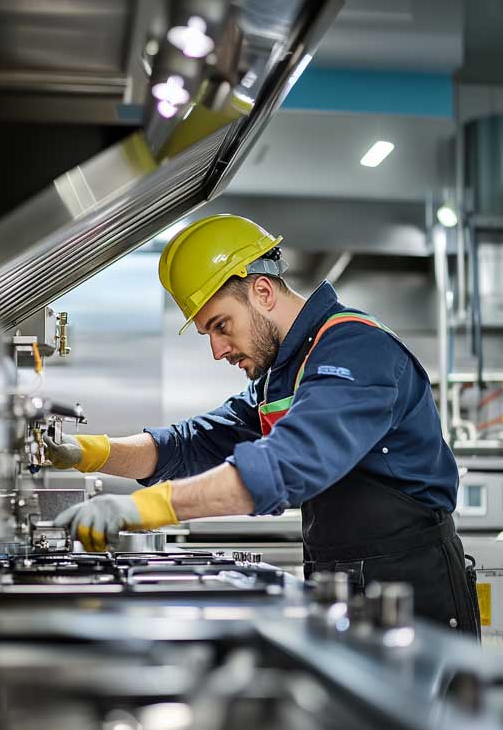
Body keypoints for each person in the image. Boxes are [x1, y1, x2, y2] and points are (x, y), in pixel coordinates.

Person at [51, 214, 479, 635]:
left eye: (221, 326)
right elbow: (191, 445)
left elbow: (288, 463)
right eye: (208, 335)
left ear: (262, 290)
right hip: (346, 582)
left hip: (411, 595)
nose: (218, 350)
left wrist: (143, 509)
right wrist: (85, 452)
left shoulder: (355, 348)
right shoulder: (282, 374)